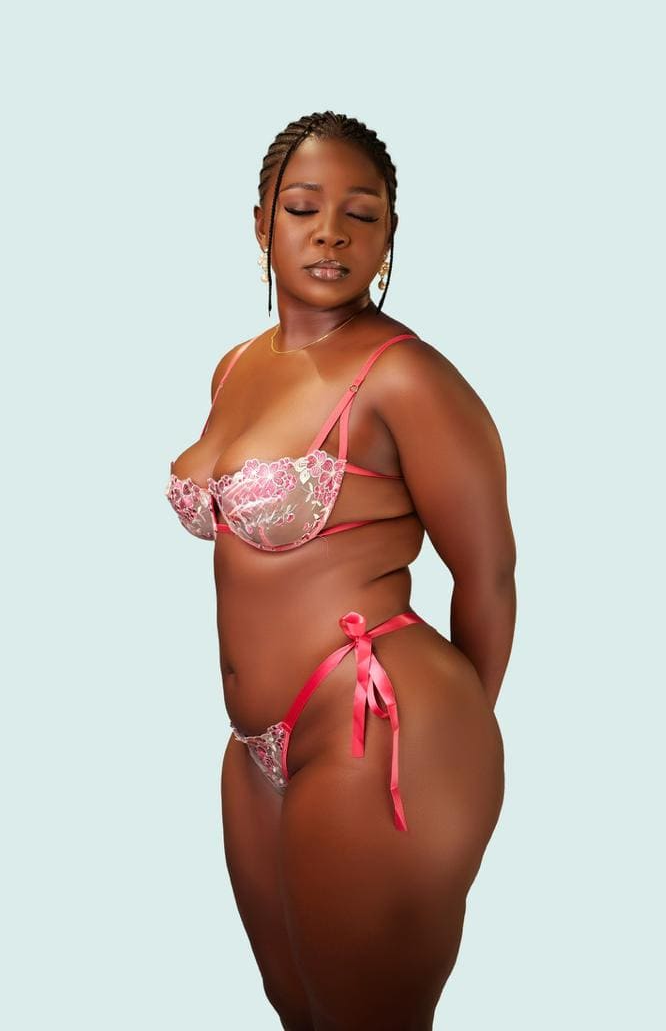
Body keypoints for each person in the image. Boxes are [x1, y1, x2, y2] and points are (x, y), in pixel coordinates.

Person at [165, 110, 516, 1031]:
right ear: (261, 224)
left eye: (361, 215)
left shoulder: (407, 378)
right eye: (304, 209)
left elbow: (488, 576)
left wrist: (454, 739)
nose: (331, 234)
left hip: (377, 724)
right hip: (255, 747)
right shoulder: (235, 367)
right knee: (297, 1008)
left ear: (390, 236)